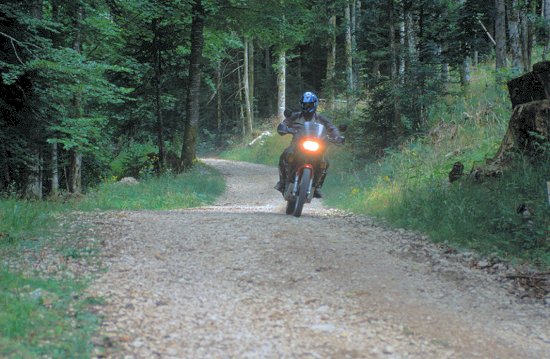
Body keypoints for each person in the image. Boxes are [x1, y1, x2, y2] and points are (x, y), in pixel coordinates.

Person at [274, 91, 344, 198]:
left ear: (314, 104)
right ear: (301, 104)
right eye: (305, 104)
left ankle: (317, 186)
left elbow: (332, 128)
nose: (307, 106)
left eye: (309, 105)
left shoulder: (321, 119)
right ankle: (282, 182)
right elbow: (285, 123)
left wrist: (337, 137)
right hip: (297, 145)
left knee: (325, 162)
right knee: (285, 154)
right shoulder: (295, 116)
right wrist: (284, 128)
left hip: (316, 145)